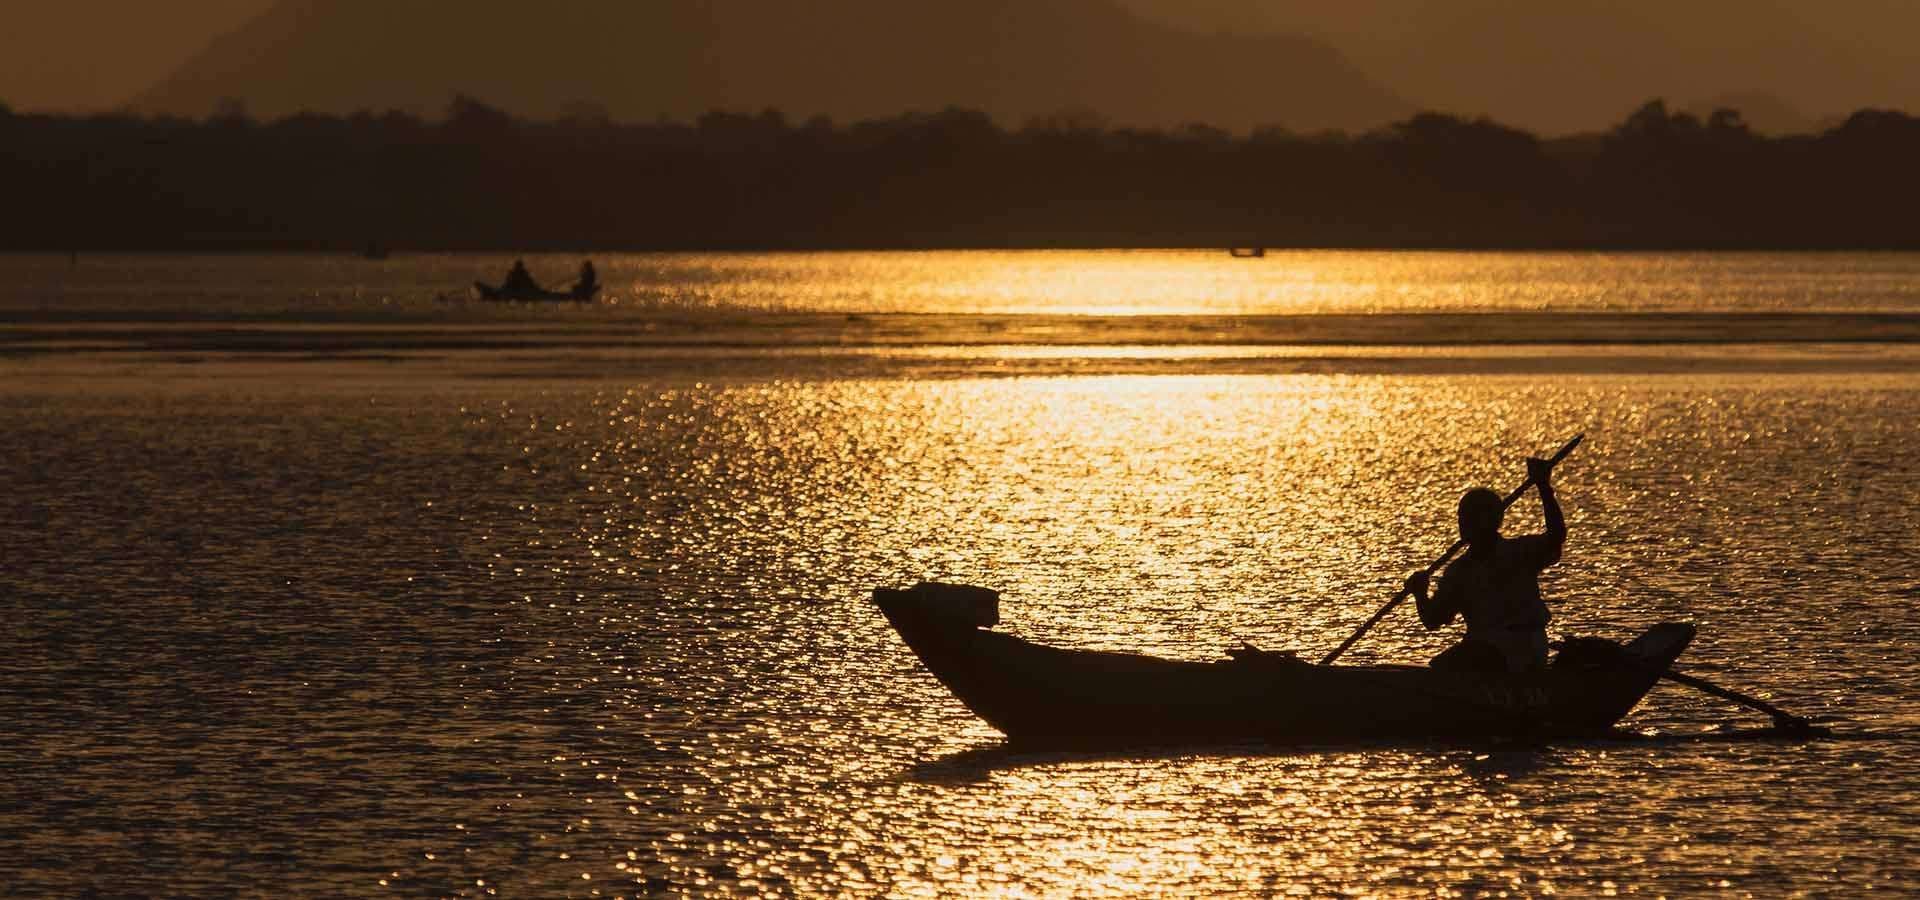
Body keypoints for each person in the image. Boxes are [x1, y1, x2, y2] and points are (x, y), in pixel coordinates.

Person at [1404, 456, 1566, 674]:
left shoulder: (1519, 552)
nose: (1463, 523)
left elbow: (1556, 536)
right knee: (1441, 665)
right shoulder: (1459, 572)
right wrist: (1420, 594)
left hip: (1525, 646)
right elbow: (1434, 620)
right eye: (1462, 517)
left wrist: (1544, 488)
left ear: (1492, 520)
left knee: (1451, 665)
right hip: (1486, 647)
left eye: (1471, 517)